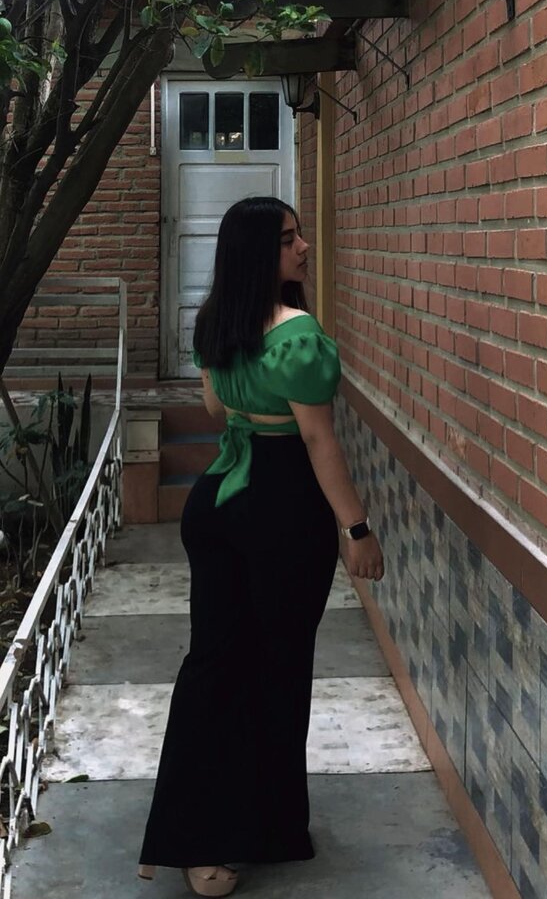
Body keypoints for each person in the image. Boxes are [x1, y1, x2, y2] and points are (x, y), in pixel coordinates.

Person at [137, 195, 384, 897]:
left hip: (219, 501)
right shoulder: (298, 334)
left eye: (299, 234)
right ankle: (229, 833)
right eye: (286, 239)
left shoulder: (216, 323)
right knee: (271, 670)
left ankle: (219, 832)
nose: (303, 247)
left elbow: (218, 411)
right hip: (281, 511)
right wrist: (356, 528)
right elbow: (318, 441)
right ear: (255, 254)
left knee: (217, 666)